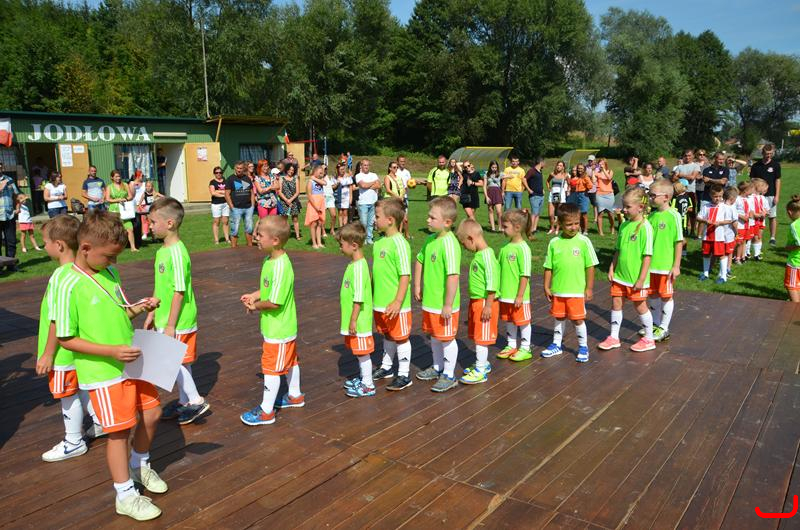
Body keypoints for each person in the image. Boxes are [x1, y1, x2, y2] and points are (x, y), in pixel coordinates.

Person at [55, 210, 164, 521]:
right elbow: (66, 338)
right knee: (118, 431)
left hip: (130, 358)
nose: (114, 262)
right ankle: (125, 495)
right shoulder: (67, 283)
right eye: (109, 256)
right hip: (103, 371)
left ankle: (139, 464)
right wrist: (111, 351)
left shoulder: (109, 272)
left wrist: (139, 307)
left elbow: (120, 313)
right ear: (85, 247)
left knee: (153, 413)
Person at [36, 214, 104, 462]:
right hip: (77, 350)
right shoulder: (80, 273)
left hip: (62, 352)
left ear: (59, 245)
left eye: (45, 242)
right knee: (79, 390)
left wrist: (48, 354)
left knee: (67, 395)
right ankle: (100, 422)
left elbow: (56, 319)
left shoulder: (60, 277)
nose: (44, 246)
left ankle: (73, 441)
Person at [143, 198, 210, 425]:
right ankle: (184, 401)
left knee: (174, 361)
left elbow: (179, 292)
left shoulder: (177, 253)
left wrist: (171, 325)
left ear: (170, 223)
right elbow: (160, 285)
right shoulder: (161, 251)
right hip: (165, 317)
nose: (150, 226)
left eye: (153, 222)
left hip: (179, 320)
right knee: (181, 361)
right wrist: (152, 312)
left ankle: (195, 400)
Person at [239, 216, 304, 425]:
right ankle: (295, 396)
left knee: (270, 368)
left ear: (275, 240)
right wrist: (255, 295)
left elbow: (275, 302)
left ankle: (266, 412)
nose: (256, 238)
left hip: (279, 329)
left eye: (259, 235)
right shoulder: (270, 260)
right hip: (279, 327)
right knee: (291, 362)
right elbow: (269, 289)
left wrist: (255, 306)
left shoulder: (280, 266)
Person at [598, 187, 656, 352]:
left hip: (636, 278)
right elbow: (618, 250)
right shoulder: (624, 225)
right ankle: (614, 337)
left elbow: (647, 256)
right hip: (620, 275)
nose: (624, 209)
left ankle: (649, 339)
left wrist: (641, 279)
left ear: (640, 207)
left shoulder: (645, 228)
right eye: (624, 206)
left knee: (640, 306)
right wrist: (612, 268)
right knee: (616, 303)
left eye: (628, 206)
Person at [413, 197, 461, 393]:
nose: (428, 220)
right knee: (434, 335)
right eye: (428, 216)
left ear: (447, 222)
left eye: (432, 217)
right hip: (431, 301)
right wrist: (417, 285)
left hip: (444, 304)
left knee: (447, 338)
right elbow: (420, 260)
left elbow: (453, 276)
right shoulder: (430, 240)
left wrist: (448, 304)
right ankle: (437, 366)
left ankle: (449, 375)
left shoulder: (449, 244)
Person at [541, 203, 598, 362]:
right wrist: (546, 286)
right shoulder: (554, 243)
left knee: (578, 319)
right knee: (558, 317)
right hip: (558, 290)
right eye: (569, 224)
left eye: (576, 223)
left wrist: (589, 288)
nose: (573, 227)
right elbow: (548, 267)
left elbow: (590, 266)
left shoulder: (584, 241)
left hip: (576, 291)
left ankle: (583, 347)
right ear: (559, 223)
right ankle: (556, 344)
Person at [371, 199, 413, 391]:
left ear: (390, 220)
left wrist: (398, 301)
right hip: (380, 302)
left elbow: (405, 275)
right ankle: (386, 367)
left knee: (401, 337)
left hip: (397, 305)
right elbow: (376, 272)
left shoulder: (400, 243)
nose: (374, 219)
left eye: (377, 216)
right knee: (388, 334)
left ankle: (404, 374)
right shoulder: (378, 243)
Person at [456, 218, 500, 384]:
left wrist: (488, 305)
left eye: (464, 244)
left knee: (482, 337)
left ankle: (480, 370)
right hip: (477, 301)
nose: (464, 248)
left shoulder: (487, 256)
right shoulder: (480, 255)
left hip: (484, 302)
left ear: (470, 238)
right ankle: (483, 363)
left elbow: (492, 282)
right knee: (477, 334)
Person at [336, 222, 376, 398]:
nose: (340, 248)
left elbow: (358, 297)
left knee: (362, 352)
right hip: (353, 319)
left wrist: (353, 320)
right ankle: (363, 379)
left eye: (341, 244)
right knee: (359, 352)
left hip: (359, 321)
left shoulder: (359, 267)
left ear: (353, 245)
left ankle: (368, 384)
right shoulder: (353, 264)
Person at [642, 179, 683, 343]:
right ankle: (655, 323)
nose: (650, 198)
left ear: (666, 197)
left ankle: (664, 328)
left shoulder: (674, 216)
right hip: (651, 266)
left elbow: (679, 241)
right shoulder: (651, 216)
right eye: (649, 195)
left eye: (653, 195)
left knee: (666, 296)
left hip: (665, 266)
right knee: (652, 294)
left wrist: (676, 265)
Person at [495, 209, 533, 361]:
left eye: (505, 226)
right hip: (505, 294)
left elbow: (525, 274)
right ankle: (511, 345)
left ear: (517, 227)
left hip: (519, 296)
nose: (502, 229)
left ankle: (525, 348)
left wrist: (520, 295)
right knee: (509, 320)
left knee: (523, 321)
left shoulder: (523, 249)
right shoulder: (505, 247)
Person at [697, 184, 736, 283]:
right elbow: (698, 217)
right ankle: (705, 273)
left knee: (721, 255)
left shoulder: (725, 207)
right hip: (707, 235)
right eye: (715, 196)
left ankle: (723, 276)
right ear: (710, 195)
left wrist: (720, 223)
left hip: (719, 236)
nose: (718, 198)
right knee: (706, 254)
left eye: (720, 196)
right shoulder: (706, 206)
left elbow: (729, 220)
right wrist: (705, 221)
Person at [750, 144, 781, 245]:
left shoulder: (776, 165)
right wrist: (752, 194)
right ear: (762, 153)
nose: (769, 156)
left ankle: (772, 238)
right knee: (757, 216)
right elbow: (752, 181)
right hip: (758, 196)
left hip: (771, 194)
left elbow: (777, 180)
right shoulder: (756, 165)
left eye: (771, 154)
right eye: (767, 154)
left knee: (772, 216)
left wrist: (777, 195)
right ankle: (755, 237)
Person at [671, 150, 701, 236]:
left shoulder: (696, 166)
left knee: (691, 212)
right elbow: (674, 178)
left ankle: (692, 231)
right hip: (679, 192)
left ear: (693, 156)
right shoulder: (679, 166)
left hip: (690, 191)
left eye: (689, 155)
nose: (687, 157)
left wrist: (680, 175)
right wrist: (680, 176)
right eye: (686, 155)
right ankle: (680, 229)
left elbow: (692, 177)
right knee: (678, 211)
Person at [225, 161, 255, 248]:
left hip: (248, 208)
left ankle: (250, 247)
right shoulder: (230, 179)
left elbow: (252, 193)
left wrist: (252, 206)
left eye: (241, 168)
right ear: (235, 168)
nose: (239, 170)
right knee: (235, 229)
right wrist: (232, 207)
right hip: (236, 208)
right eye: (237, 168)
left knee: (249, 228)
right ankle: (234, 248)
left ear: (243, 169)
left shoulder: (247, 178)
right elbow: (227, 194)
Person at [106, 170, 137, 252]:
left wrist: (125, 199)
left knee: (129, 228)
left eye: (119, 176)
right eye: (116, 176)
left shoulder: (125, 185)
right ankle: (114, 247)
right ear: (112, 177)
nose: (118, 178)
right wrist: (118, 200)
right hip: (114, 210)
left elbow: (130, 196)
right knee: (115, 230)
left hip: (125, 209)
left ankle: (133, 247)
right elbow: (108, 199)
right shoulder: (109, 187)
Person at [355, 159, 381, 245]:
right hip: (363, 202)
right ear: (361, 166)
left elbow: (379, 185)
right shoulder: (358, 175)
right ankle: (363, 238)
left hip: (373, 201)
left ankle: (369, 238)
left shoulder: (374, 174)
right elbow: (363, 185)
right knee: (363, 222)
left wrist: (367, 186)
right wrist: (373, 183)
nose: (366, 167)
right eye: (364, 165)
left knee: (370, 223)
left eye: (367, 165)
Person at [0, 162, 20, 270]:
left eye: (1, 167)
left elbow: (15, 195)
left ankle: (11, 265)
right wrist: (1, 186)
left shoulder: (9, 179)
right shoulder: (5, 182)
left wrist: (18, 207)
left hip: (9, 215)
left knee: (11, 241)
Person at [383, 161, 409, 237]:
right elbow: (388, 190)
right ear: (390, 168)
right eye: (394, 167)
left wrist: (402, 196)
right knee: (392, 219)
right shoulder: (387, 177)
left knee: (403, 218)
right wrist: (397, 196)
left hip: (400, 200)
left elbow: (403, 188)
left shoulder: (399, 177)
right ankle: (389, 234)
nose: (396, 169)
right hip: (391, 200)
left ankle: (402, 233)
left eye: (397, 167)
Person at [254, 159, 280, 232]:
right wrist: (270, 187)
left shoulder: (272, 176)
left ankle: (270, 237)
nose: (266, 168)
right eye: (264, 166)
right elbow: (260, 191)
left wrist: (267, 188)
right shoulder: (257, 178)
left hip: (273, 203)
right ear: (260, 167)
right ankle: (261, 236)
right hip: (263, 203)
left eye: (267, 166)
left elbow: (278, 186)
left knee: (272, 222)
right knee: (264, 223)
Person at [304, 166, 327, 249]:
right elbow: (309, 195)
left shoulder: (319, 180)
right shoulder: (310, 182)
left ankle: (319, 242)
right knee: (314, 223)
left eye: (322, 173)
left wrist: (314, 178)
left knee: (320, 223)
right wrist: (316, 207)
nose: (321, 175)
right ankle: (314, 243)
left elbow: (325, 183)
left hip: (321, 204)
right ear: (315, 172)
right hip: (314, 204)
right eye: (320, 173)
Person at [566, 164, 593, 234]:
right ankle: (580, 229)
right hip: (576, 194)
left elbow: (590, 186)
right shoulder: (578, 177)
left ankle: (585, 230)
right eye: (578, 168)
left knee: (584, 213)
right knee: (578, 213)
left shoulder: (586, 177)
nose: (579, 170)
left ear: (584, 169)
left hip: (583, 195)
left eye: (581, 168)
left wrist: (585, 188)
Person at [278, 164, 302, 240]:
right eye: (289, 169)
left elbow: (297, 192)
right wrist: (286, 200)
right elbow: (279, 192)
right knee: (284, 220)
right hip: (284, 201)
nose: (291, 171)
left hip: (294, 201)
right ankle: (283, 235)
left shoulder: (296, 179)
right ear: (286, 169)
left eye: (293, 170)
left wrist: (290, 200)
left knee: (295, 219)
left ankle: (297, 235)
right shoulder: (281, 178)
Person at [783, 195, 800, 302]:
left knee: (791, 286)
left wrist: (788, 247)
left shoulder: (794, 225)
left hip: (795, 262)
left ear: (789, 212)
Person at [733, 181, 754, 265]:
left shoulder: (748, 199)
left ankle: (738, 257)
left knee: (743, 241)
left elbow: (750, 210)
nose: (752, 191)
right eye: (751, 189)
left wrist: (750, 214)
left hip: (746, 225)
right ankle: (732, 255)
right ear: (745, 190)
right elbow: (733, 210)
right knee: (737, 242)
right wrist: (741, 216)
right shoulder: (737, 199)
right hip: (739, 225)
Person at [523, 157, 545, 237]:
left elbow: (539, 182)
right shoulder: (532, 171)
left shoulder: (540, 171)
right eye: (544, 162)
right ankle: (530, 230)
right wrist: (528, 189)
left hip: (541, 195)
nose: (545, 164)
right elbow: (524, 179)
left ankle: (534, 229)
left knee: (538, 213)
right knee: (534, 213)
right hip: (534, 195)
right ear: (541, 162)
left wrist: (542, 189)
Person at [209, 167, 231, 245]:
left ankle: (227, 239)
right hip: (216, 204)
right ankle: (216, 240)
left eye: (220, 172)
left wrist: (218, 191)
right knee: (216, 221)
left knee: (225, 221)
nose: (218, 174)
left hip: (226, 204)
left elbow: (229, 191)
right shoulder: (212, 182)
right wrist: (224, 194)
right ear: (214, 173)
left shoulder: (226, 181)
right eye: (216, 172)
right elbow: (213, 193)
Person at [546, 160, 569, 234]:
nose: (559, 167)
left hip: (561, 193)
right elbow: (547, 181)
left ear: (563, 167)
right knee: (550, 214)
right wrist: (549, 188)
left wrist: (568, 190)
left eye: (560, 165)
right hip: (553, 193)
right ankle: (552, 228)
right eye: (558, 165)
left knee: (559, 213)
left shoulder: (565, 175)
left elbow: (569, 184)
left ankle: (557, 228)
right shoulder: (552, 174)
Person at [671, 182, 693, 255]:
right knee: (683, 236)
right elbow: (691, 209)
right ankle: (684, 252)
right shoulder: (687, 197)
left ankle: (676, 251)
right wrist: (685, 209)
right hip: (685, 221)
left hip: (676, 221)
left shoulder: (675, 199)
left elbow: (672, 210)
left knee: (676, 237)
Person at [595, 158, 616, 236]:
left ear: (605, 164)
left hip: (609, 195)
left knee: (610, 213)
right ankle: (600, 232)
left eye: (602, 164)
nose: (601, 165)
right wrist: (593, 172)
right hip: (599, 194)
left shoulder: (610, 171)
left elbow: (609, 178)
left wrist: (603, 170)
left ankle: (612, 227)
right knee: (600, 213)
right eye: (599, 164)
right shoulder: (597, 173)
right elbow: (593, 181)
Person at [749, 178, 769, 261]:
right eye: (763, 186)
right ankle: (746, 253)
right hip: (752, 221)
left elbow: (767, 209)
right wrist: (757, 215)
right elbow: (750, 210)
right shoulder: (750, 197)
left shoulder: (763, 198)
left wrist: (765, 213)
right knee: (751, 237)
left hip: (761, 221)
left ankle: (757, 254)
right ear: (757, 187)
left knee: (759, 236)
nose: (765, 189)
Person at [483, 160, 503, 232]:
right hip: (490, 192)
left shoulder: (500, 174)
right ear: (490, 167)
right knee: (490, 210)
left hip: (497, 192)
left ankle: (500, 228)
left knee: (499, 211)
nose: (494, 169)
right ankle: (493, 228)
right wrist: (486, 196)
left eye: (495, 167)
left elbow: (510, 176)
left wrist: (506, 176)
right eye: (493, 167)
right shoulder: (486, 174)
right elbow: (484, 186)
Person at [129, 170, 146, 248]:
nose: (143, 177)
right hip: (133, 206)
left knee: (141, 223)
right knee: (136, 223)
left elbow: (144, 194)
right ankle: (135, 241)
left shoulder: (143, 184)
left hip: (141, 205)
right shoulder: (131, 183)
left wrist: (140, 204)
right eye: (142, 175)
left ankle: (139, 240)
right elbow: (131, 194)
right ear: (138, 176)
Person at [334, 163, 354, 229]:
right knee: (340, 212)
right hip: (339, 197)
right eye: (341, 169)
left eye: (343, 169)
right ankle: (341, 227)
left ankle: (344, 227)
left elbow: (350, 188)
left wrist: (350, 197)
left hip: (346, 197)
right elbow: (333, 187)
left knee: (345, 212)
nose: (343, 171)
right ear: (338, 170)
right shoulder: (335, 178)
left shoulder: (348, 177)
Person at [322, 166, 338, 237]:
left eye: (325, 169)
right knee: (323, 217)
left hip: (330, 198)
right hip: (323, 198)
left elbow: (332, 187)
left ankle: (332, 230)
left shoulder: (329, 177)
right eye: (323, 169)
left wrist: (337, 184)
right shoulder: (318, 178)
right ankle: (323, 231)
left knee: (334, 215)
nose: (325, 170)